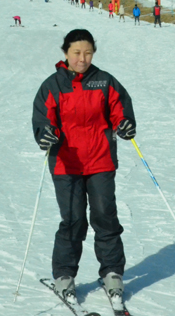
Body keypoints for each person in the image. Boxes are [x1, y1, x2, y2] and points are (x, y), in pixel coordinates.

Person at [32, 29, 135, 311]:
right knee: (73, 219)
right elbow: (43, 119)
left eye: (88, 53)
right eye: (77, 53)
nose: (82, 58)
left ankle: (112, 273)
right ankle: (64, 275)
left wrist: (124, 123)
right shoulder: (53, 85)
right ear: (66, 53)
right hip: (66, 163)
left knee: (105, 215)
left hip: (100, 160)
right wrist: (46, 133)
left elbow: (120, 108)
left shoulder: (104, 81)